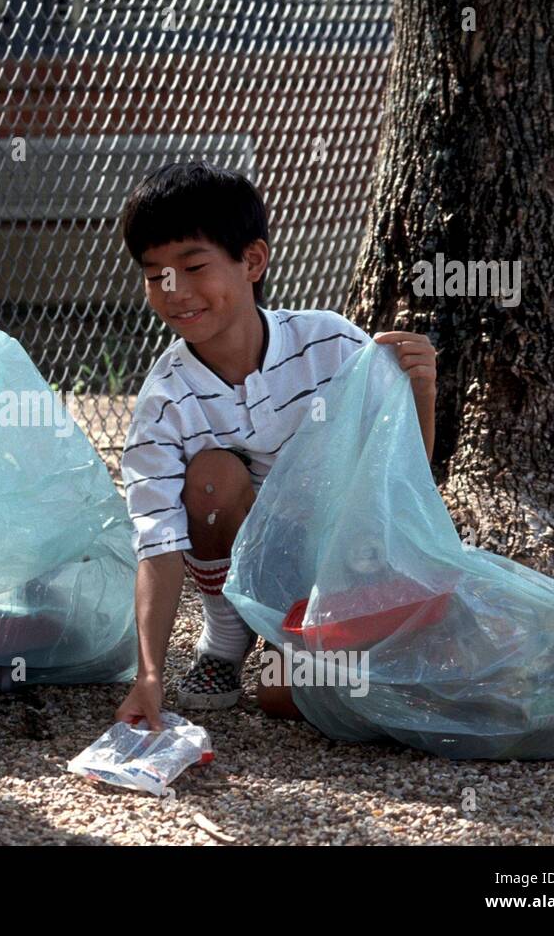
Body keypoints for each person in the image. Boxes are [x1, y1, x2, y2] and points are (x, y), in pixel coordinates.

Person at [113, 161, 437, 729]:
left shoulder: (330, 343)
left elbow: (404, 477)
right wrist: (149, 676)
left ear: (253, 261)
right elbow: (158, 545)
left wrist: (423, 393)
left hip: (340, 563)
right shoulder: (165, 399)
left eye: (193, 267)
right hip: (242, 554)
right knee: (211, 478)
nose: (174, 291)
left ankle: (298, 638)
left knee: (286, 694)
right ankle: (227, 639)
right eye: (154, 273)